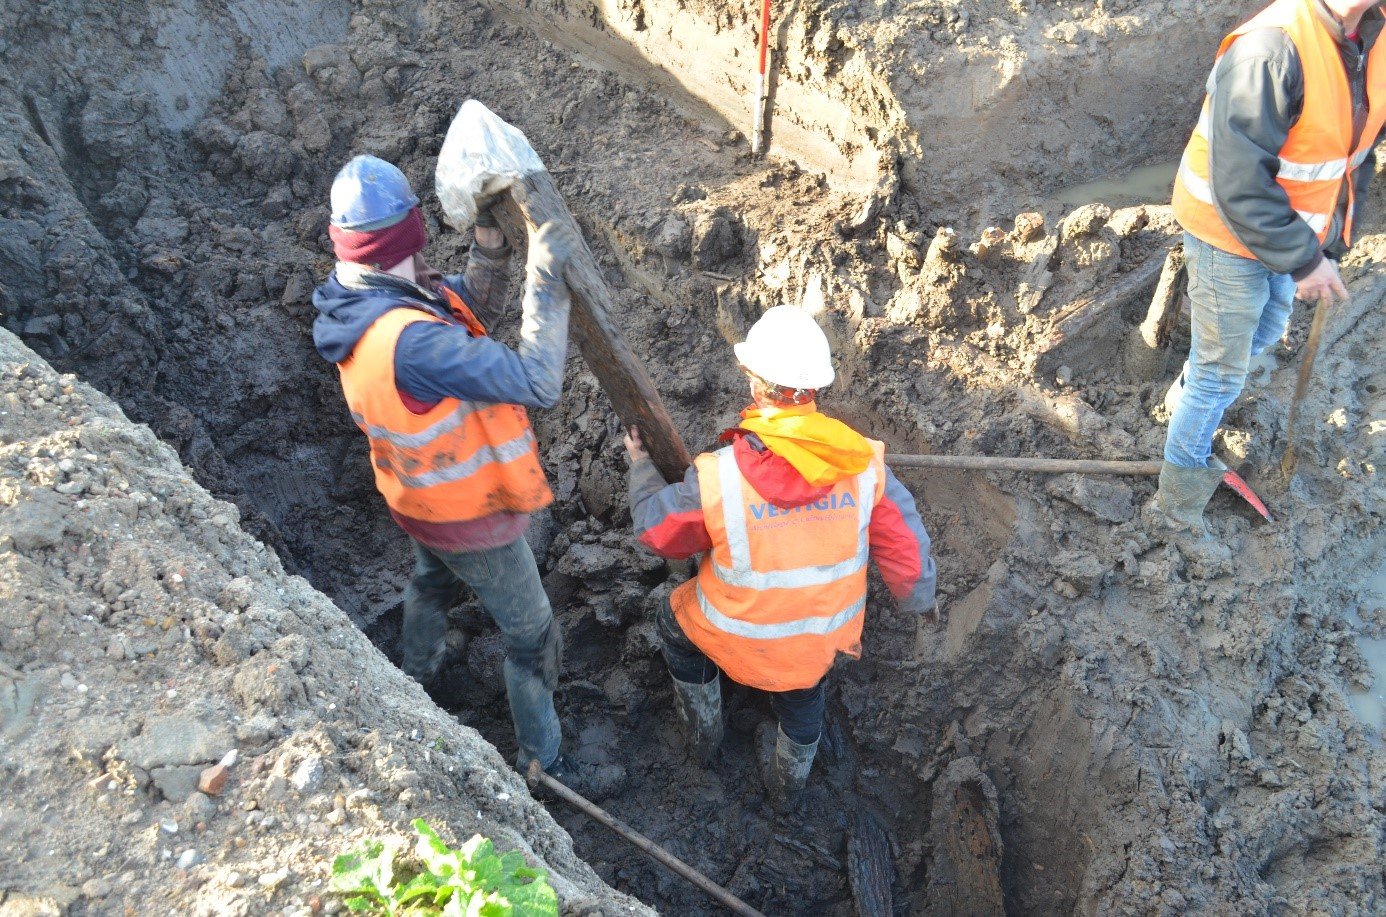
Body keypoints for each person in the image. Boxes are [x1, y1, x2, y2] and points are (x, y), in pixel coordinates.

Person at [311, 154, 588, 785]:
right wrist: (544, 282)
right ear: (404, 235)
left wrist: (490, 247)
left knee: (432, 582)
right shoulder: (413, 339)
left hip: (416, 500)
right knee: (533, 634)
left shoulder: (355, 298)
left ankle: (416, 676)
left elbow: (462, 307)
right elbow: (538, 383)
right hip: (472, 516)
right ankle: (547, 762)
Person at [623, 306, 936, 809]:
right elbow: (907, 550)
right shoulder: (863, 465)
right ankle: (787, 790)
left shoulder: (720, 476)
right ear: (815, 389)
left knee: (673, 619)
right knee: (804, 698)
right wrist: (919, 599)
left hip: (730, 637)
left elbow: (657, 532)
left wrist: (641, 470)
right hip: (816, 648)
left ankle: (703, 742)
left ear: (755, 384)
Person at [1158, 0, 1385, 531]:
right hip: (1228, 234)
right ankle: (1177, 502)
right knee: (1221, 374)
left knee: (1264, 331)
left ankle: (1182, 397)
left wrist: (1330, 242)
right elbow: (1238, 183)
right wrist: (1305, 262)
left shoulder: (1368, 42)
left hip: (1291, 232)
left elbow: (1357, 155)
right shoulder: (1271, 49)